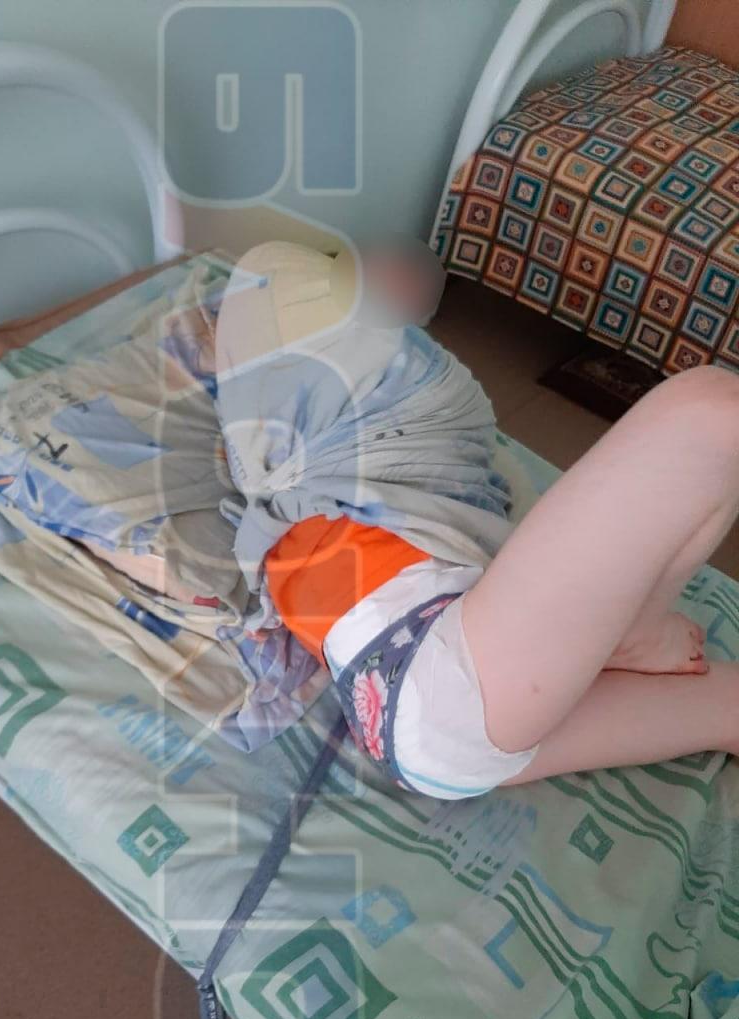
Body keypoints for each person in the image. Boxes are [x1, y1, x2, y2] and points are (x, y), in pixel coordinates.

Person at [215, 239, 732, 799]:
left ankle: (630, 636)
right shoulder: (310, 362)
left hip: (421, 732)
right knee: (713, 407)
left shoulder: (304, 490)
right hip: (434, 673)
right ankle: (636, 632)